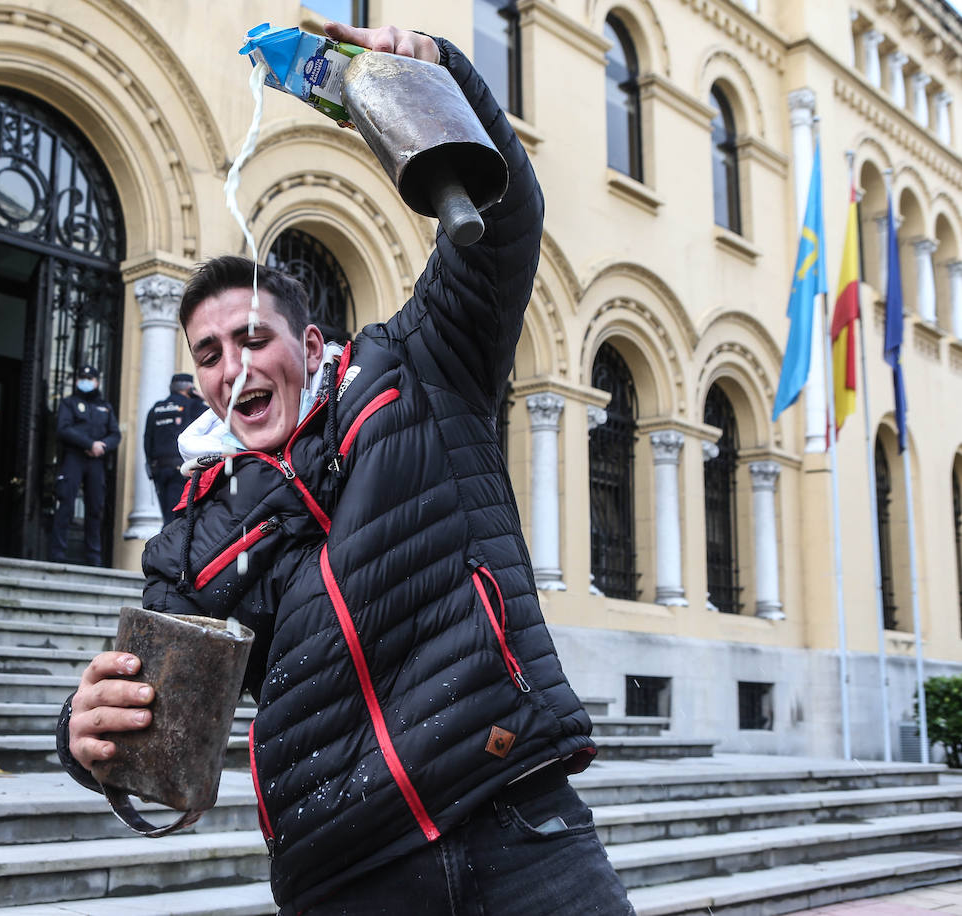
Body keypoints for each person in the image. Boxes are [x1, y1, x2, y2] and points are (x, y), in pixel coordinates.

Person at [56, 23, 634, 916]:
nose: (233, 368)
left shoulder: (418, 371)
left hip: (519, 827)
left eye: (253, 338)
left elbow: (506, 221)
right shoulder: (191, 545)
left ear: (312, 344)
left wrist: (441, 77)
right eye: (208, 354)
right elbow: (150, 718)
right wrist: (82, 736)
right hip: (347, 873)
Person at [49, 364, 120, 566]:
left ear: (97, 382)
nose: (85, 381)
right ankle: (58, 553)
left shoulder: (105, 407)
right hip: (74, 458)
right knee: (66, 504)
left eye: (90, 378)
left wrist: (102, 447)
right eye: (82, 377)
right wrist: (89, 444)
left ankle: (93, 556)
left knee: (95, 507)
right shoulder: (69, 403)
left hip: (96, 461)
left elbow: (115, 434)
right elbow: (63, 428)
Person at [143, 373, 206, 524]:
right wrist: (200, 398)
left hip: (159, 469)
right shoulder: (193, 405)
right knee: (178, 518)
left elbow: (147, 441)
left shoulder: (156, 409)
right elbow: (214, 417)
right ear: (190, 389)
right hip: (181, 470)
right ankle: (168, 546)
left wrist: (151, 464)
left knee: (167, 514)